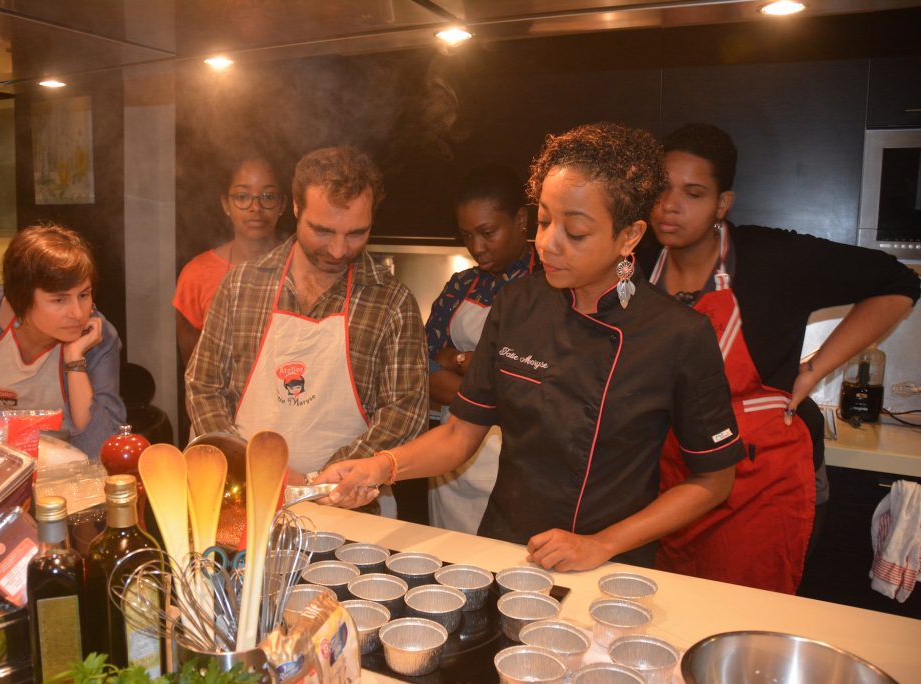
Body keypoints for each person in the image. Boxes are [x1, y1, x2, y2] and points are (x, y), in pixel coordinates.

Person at [317, 123, 745, 571]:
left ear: (630, 236)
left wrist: (600, 544)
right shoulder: (518, 304)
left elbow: (715, 479)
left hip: (608, 565)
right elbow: (460, 434)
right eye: (543, 220)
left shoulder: (677, 334)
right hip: (504, 551)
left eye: (575, 232)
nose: (547, 243)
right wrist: (378, 467)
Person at [640, 123, 920, 593]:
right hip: (673, 476)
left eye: (693, 193)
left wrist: (813, 369)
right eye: (662, 190)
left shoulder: (773, 258)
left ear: (721, 204)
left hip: (761, 484)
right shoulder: (638, 259)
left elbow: (899, 283)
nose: (670, 206)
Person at [186, 146, 429, 515]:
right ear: (296, 208)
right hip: (244, 492)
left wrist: (326, 480)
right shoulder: (241, 286)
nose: (337, 250)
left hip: (348, 503)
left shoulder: (392, 303)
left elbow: (405, 412)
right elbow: (203, 386)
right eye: (323, 230)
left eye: (356, 234)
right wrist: (251, 463)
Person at [0, 223, 126, 459]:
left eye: (84, 295)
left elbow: (100, 448)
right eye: (59, 300)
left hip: (65, 467)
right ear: (21, 297)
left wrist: (74, 359)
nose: (78, 313)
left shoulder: (98, 339)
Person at [425, 163, 541, 534]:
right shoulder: (462, 285)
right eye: (467, 235)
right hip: (452, 462)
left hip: (521, 459)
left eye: (487, 232)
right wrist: (474, 370)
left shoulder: (549, 284)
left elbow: (533, 386)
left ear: (521, 220)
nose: (477, 247)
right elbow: (421, 365)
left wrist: (454, 364)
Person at [173, 151, 285, 367]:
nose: (256, 208)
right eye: (242, 197)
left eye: (268, 197)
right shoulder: (196, 275)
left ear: (282, 205)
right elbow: (195, 371)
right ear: (226, 205)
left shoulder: (302, 266)